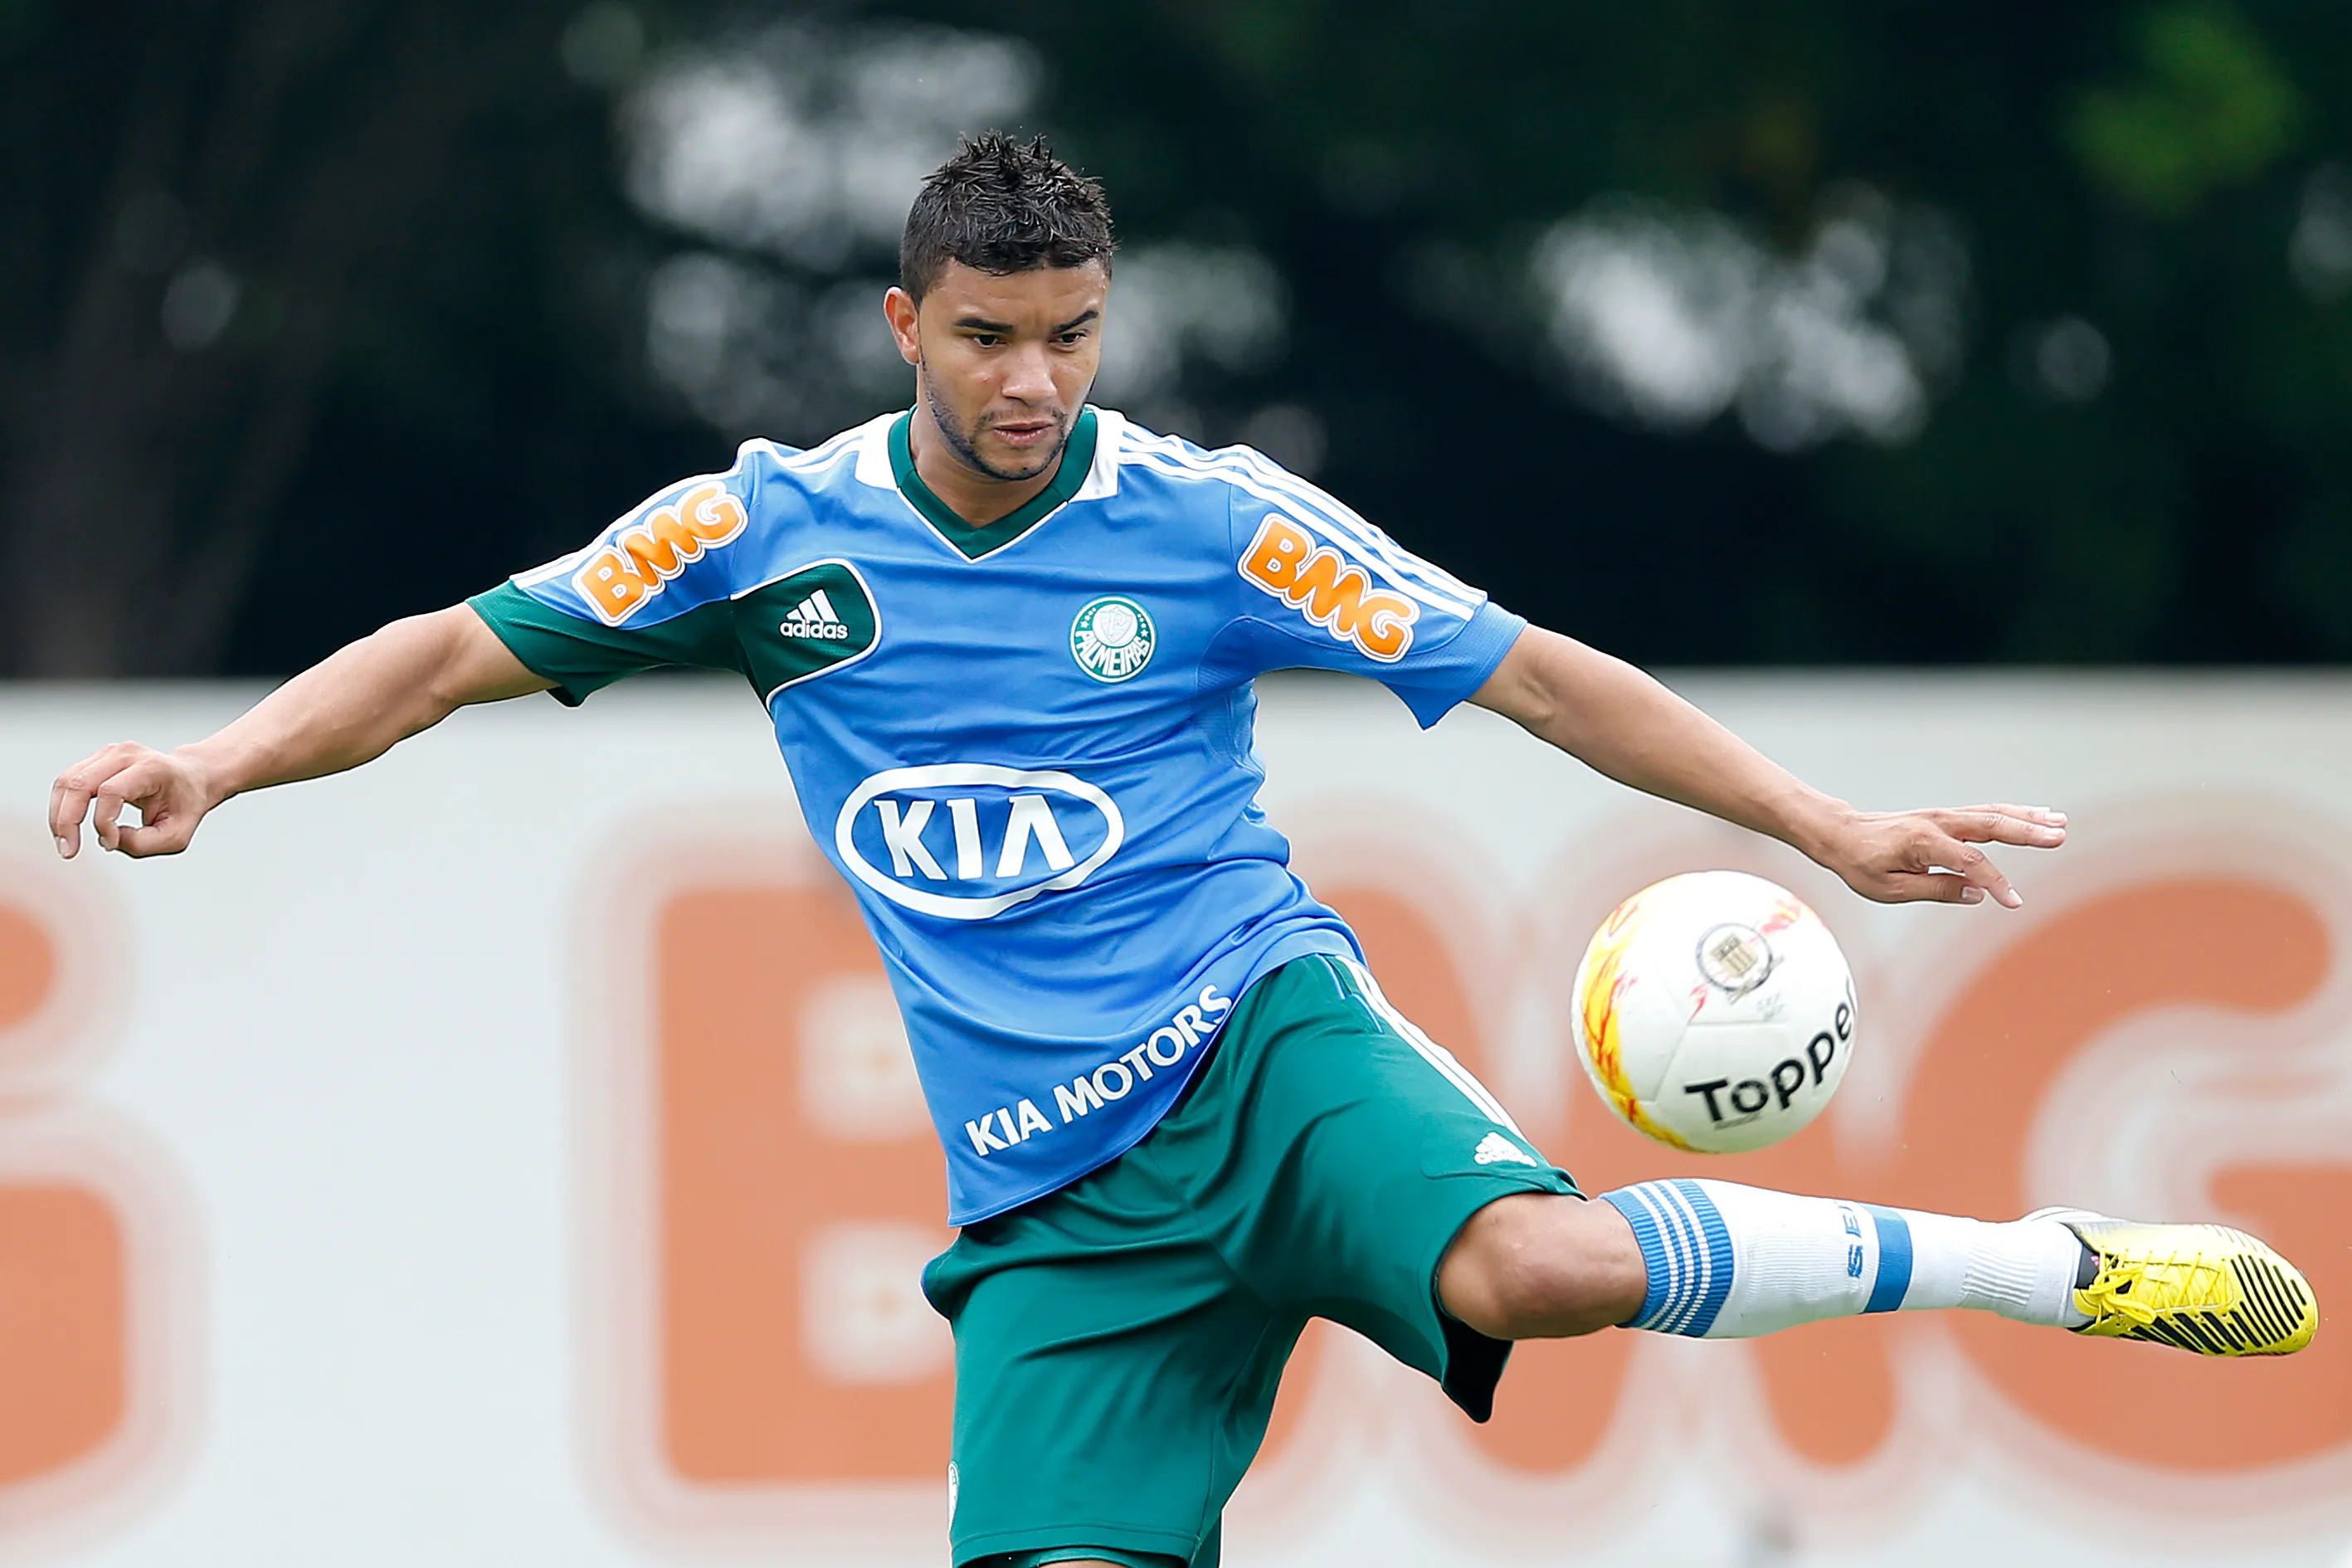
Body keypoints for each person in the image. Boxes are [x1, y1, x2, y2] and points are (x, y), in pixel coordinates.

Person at [49, 133, 2315, 1568]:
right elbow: (457, 648)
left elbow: (1526, 668)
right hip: (1045, 1207)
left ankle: (2044, 1265)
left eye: (1071, 337)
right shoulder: (761, 535)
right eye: (993, 341)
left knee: (1533, 1273)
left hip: (1261, 1044)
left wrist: (1826, 827)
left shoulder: (1216, 520)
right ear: (902, 326)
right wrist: (224, 767)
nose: (1036, 383)